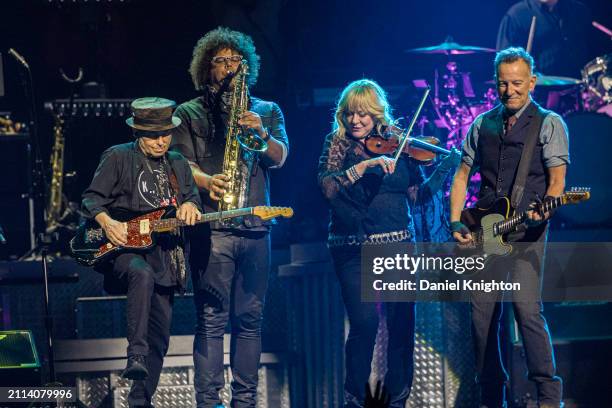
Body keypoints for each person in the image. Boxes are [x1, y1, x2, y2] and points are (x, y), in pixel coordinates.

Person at [317, 79, 460, 408]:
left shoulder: (399, 144)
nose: (355, 121)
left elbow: (419, 195)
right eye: (350, 114)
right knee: (365, 324)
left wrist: (444, 171)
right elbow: (327, 187)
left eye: (363, 115)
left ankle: (398, 400)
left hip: (397, 246)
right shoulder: (337, 144)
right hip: (352, 248)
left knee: (401, 326)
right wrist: (363, 166)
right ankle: (354, 398)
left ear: (376, 114)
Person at [170, 27, 289, 408]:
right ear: (206, 68)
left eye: (235, 60)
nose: (229, 67)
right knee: (210, 320)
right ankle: (208, 402)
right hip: (212, 227)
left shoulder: (267, 110)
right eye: (221, 61)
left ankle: (245, 402)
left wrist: (261, 133)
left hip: (255, 228)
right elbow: (178, 165)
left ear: (247, 66)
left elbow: (281, 157)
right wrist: (206, 181)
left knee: (250, 321)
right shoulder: (188, 113)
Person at [449, 47, 569, 408]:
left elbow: (557, 183)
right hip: (486, 230)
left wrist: (543, 213)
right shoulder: (481, 124)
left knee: (526, 311)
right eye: (503, 83)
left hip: (526, 233)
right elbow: (461, 175)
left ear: (532, 82)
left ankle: (548, 397)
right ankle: (490, 396)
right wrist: (455, 220)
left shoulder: (549, 123)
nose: (510, 90)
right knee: (481, 317)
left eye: (517, 83)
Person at [82, 97, 202, 407]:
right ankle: (134, 352)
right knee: (139, 271)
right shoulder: (118, 157)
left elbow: (192, 200)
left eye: (166, 134)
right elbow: (92, 198)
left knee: (160, 339)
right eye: (153, 135)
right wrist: (107, 222)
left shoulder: (177, 163)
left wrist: (190, 205)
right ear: (138, 133)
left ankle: (139, 401)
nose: (161, 141)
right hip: (122, 249)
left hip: (164, 255)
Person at [496, 0, 592, 77]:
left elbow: (592, 53)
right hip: (538, 94)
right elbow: (505, 63)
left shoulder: (579, 10)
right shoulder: (516, 15)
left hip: (576, 91)